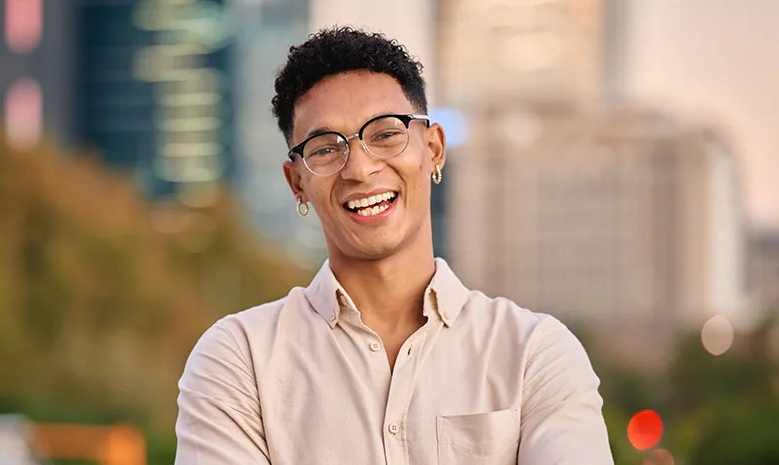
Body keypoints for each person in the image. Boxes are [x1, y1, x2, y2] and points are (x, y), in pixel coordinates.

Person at [174, 27, 614, 465]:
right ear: (298, 183)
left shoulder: (532, 353)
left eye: (385, 134)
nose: (360, 169)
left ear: (434, 149)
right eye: (326, 148)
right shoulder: (240, 360)